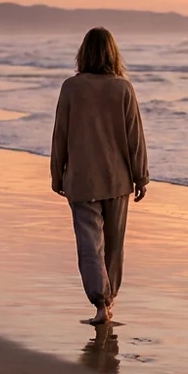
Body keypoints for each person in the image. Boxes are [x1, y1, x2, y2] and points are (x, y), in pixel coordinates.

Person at [50, 27, 149, 325]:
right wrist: (141, 176)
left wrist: (57, 174)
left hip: (81, 179)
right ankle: (109, 299)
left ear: (84, 53)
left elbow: (60, 136)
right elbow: (136, 137)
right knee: (114, 244)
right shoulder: (123, 88)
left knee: (89, 244)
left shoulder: (71, 87)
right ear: (113, 53)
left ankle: (100, 303)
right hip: (117, 179)